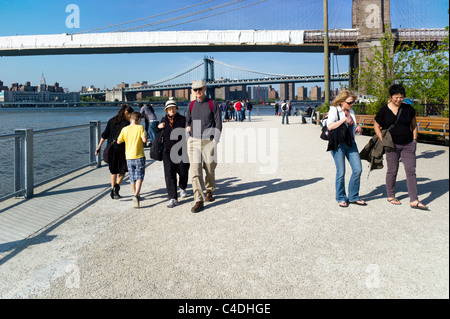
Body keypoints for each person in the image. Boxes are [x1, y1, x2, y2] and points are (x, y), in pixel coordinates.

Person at [374, 84, 428, 210]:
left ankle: (414, 199)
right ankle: (390, 195)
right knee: (392, 170)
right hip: (392, 145)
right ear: (391, 96)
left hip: (408, 144)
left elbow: (414, 125)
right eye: (396, 97)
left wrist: (414, 140)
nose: (399, 100)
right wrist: (383, 140)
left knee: (411, 171)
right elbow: (376, 126)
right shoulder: (384, 110)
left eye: (401, 97)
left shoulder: (409, 109)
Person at [185, 80, 222, 213]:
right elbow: (187, 121)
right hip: (194, 141)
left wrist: (215, 141)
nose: (197, 92)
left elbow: (218, 122)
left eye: (199, 89)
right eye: (195, 90)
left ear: (205, 88)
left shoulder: (212, 104)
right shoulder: (191, 105)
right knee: (195, 171)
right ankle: (198, 200)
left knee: (210, 169)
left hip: (208, 141)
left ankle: (209, 189)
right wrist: (187, 129)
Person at [327, 90, 366, 208]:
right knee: (341, 172)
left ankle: (353, 196)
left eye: (353, 102)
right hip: (338, 144)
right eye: (349, 102)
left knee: (358, 169)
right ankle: (341, 197)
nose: (352, 104)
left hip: (351, 143)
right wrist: (344, 119)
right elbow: (330, 126)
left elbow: (351, 128)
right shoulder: (334, 110)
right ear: (342, 101)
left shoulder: (351, 111)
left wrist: (357, 128)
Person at [95, 104, 134, 200]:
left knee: (113, 171)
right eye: (130, 114)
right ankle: (117, 187)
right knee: (123, 170)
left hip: (111, 149)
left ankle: (113, 190)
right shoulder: (126, 124)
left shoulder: (111, 120)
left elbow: (104, 135)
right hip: (121, 149)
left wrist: (99, 146)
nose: (131, 117)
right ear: (126, 112)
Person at [158, 98, 190, 208]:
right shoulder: (163, 120)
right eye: (169, 108)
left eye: (173, 108)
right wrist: (158, 127)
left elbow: (189, 130)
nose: (171, 110)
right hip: (167, 151)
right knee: (169, 173)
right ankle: (173, 198)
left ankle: (183, 187)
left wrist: (188, 128)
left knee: (183, 171)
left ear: (176, 109)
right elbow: (156, 133)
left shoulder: (183, 119)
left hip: (181, 150)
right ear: (166, 110)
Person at [117, 112, 147, 208]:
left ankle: (135, 194)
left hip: (129, 156)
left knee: (132, 176)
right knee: (139, 176)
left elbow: (118, 141)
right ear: (138, 120)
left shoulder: (124, 129)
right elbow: (144, 140)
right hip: (139, 155)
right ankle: (136, 195)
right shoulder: (140, 128)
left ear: (131, 119)